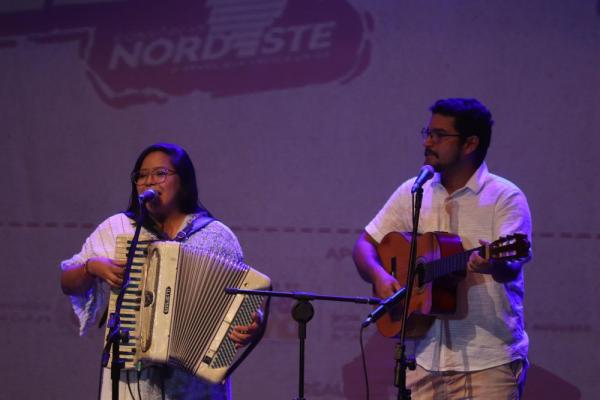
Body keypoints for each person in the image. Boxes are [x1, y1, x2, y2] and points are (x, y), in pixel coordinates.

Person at [353, 98, 532, 399]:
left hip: (488, 364)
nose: (428, 141)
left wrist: (494, 263)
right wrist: (380, 276)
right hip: (425, 361)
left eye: (439, 135)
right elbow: (364, 245)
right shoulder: (416, 189)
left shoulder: (505, 197)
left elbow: (510, 266)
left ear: (470, 143)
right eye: (427, 132)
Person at [60, 142, 261, 400]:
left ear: (183, 181)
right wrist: (91, 267)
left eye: (160, 174)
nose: (148, 182)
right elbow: (68, 281)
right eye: (141, 176)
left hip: (194, 385)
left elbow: (241, 300)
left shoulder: (216, 236)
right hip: (132, 381)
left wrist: (254, 323)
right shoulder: (120, 228)